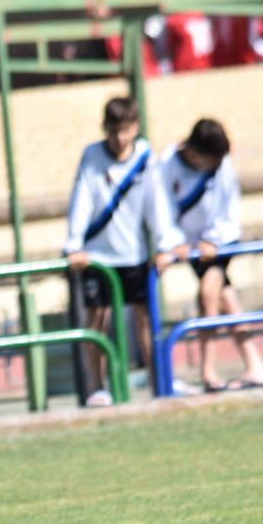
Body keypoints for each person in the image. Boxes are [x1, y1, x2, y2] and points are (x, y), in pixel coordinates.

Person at [64, 97, 182, 405]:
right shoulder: (91, 156)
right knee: (97, 319)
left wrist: (165, 243)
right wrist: (74, 244)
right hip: (98, 256)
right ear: (105, 129)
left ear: (136, 128)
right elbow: (82, 199)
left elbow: (156, 203)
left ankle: (160, 383)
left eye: (126, 131)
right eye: (114, 131)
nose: (119, 139)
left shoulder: (145, 156)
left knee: (144, 318)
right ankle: (96, 388)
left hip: (134, 254)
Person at [161, 119, 263, 392]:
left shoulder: (223, 166)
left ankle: (208, 371)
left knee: (209, 292)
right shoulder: (167, 163)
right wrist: (175, 241)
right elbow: (161, 207)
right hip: (190, 244)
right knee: (226, 298)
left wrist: (212, 240)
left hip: (218, 241)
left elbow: (228, 211)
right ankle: (255, 365)